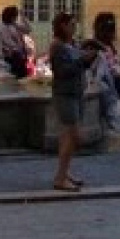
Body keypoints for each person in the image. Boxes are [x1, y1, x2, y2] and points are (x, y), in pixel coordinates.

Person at [46, 13, 87, 191]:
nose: (74, 27)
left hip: (75, 92)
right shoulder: (57, 46)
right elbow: (62, 71)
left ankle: (64, 173)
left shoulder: (70, 44)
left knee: (67, 137)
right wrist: (83, 61)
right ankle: (60, 178)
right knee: (74, 136)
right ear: (62, 26)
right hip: (65, 94)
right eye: (71, 24)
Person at [0, 6, 33, 79]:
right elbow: (7, 41)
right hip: (12, 55)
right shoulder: (4, 27)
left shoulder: (14, 24)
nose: (16, 17)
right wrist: (18, 49)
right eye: (15, 15)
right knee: (18, 75)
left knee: (23, 74)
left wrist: (23, 17)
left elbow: (28, 29)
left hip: (20, 54)